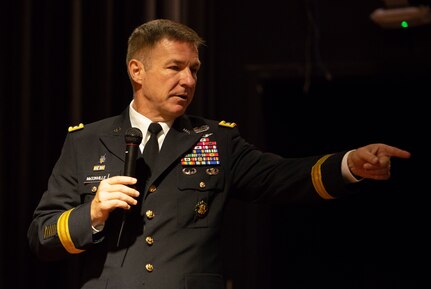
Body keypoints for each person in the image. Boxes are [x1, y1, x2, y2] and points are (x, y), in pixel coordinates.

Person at [27, 18, 411, 289]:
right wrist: (92, 214)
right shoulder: (86, 141)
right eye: (175, 67)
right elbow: (41, 237)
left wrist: (349, 165)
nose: (189, 80)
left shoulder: (215, 140)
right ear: (137, 70)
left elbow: (283, 176)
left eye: (194, 69)